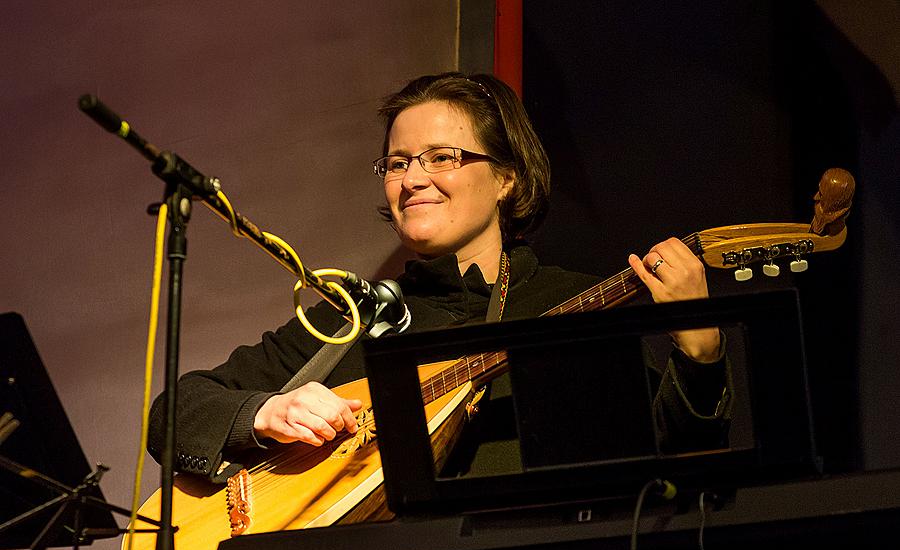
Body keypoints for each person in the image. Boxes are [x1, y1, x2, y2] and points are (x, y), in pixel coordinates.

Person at [148, 72, 730, 483]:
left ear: (506, 178)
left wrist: (701, 351)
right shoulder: (356, 316)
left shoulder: (579, 302)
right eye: (398, 163)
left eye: (443, 157)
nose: (413, 178)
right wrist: (262, 415)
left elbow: (671, 469)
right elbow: (174, 410)